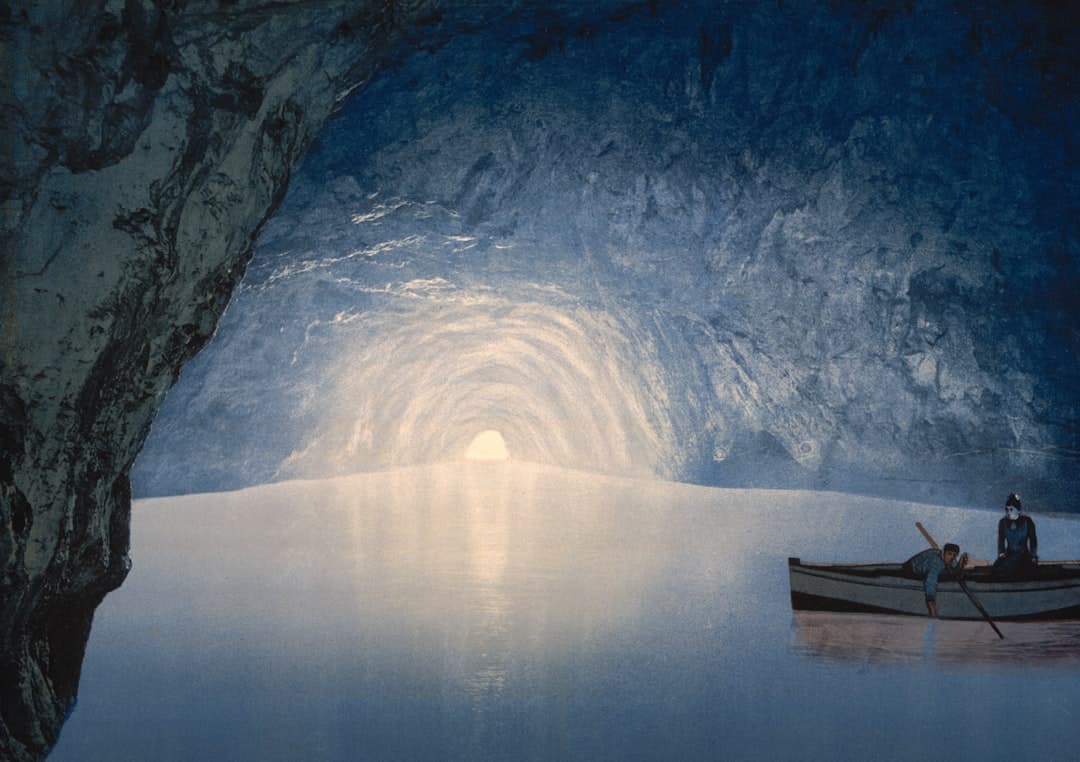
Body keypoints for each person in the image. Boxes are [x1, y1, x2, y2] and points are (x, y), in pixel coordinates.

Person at [902, 542, 967, 617]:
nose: (952, 558)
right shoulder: (935, 563)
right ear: (943, 553)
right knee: (936, 578)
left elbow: (954, 572)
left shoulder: (951, 560)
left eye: (954, 555)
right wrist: (933, 610)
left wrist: (961, 566)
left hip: (929, 568)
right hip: (911, 569)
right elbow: (930, 583)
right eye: (949, 554)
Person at [992, 492, 1037, 578]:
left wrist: (1033, 555)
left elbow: (1033, 541)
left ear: (1018, 510)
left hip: (1024, 556)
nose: (1008, 512)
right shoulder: (1003, 522)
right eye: (1007, 509)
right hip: (1009, 554)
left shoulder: (1027, 522)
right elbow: (1001, 541)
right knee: (995, 570)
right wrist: (1001, 553)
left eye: (1011, 509)